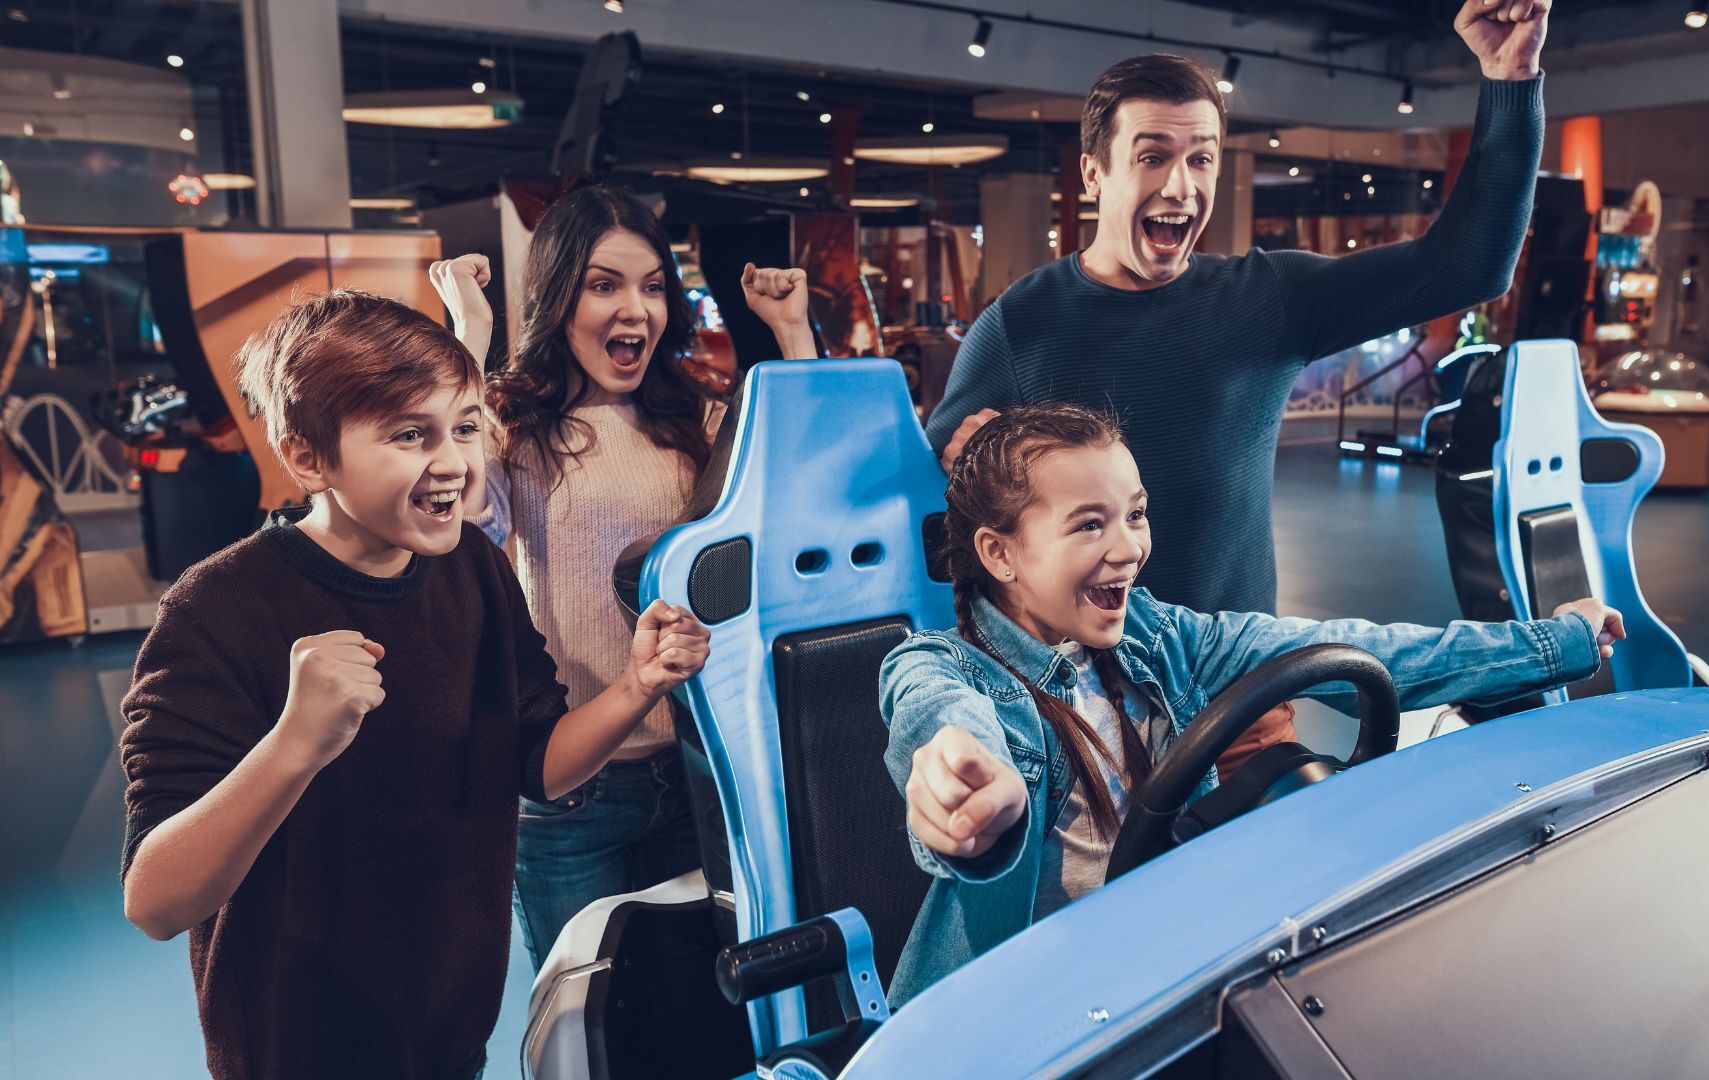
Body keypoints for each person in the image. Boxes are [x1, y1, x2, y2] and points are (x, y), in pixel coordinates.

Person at [118, 290, 711, 1078]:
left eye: (465, 427)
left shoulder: (469, 568)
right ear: (307, 457)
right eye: (409, 434)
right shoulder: (217, 609)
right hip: (296, 1052)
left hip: (451, 1037)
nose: (456, 463)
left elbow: (537, 763)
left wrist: (638, 685)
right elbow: (156, 902)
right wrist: (295, 745)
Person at [879, 403, 1619, 1002]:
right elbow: (940, 723)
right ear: (1000, 553)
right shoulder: (944, 668)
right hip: (1018, 1011)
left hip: (1164, 974)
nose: (1130, 547)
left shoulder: (1159, 635)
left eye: (1134, 514)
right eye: (1089, 524)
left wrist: (1556, 644)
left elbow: (1363, 647)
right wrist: (966, 786)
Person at [929, 0, 1554, 621]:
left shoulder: (1268, 296)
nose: (1181, 186)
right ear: (1094, 174)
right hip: (1076, 696)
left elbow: (1471, 264)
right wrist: (965, 471)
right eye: (1152, 157)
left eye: (1201, 158)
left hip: (1241, 685)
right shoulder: (1020, 324)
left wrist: (1511, 82)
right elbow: (934, 523)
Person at [428, 185, 816, 968]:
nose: (635, 309)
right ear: (557, 296)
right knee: (588, 1024)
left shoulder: (694, 422)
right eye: (604, 285)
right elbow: (455, 522)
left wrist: (794, 335)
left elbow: (806, 499)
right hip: (575, 792)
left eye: (651, 287)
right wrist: (467, 338)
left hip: (701, 772)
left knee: (695, 1011)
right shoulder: (511, 427)